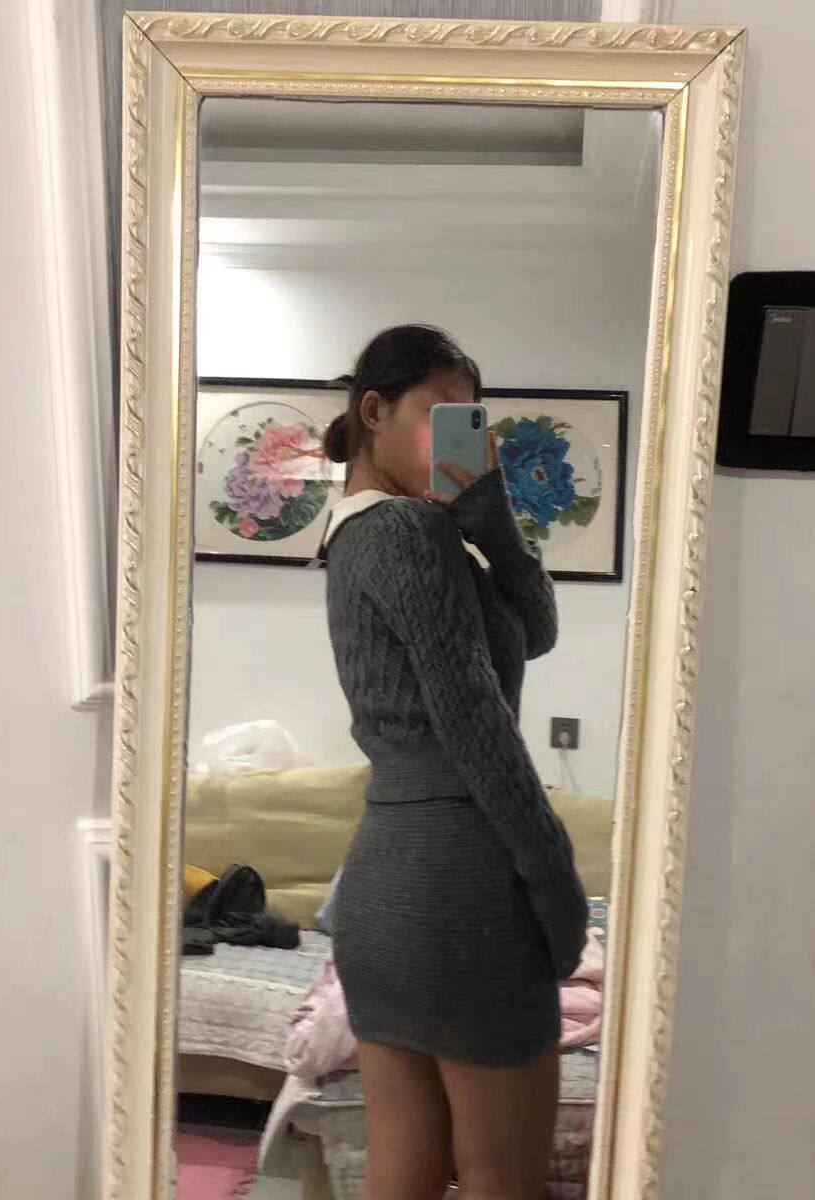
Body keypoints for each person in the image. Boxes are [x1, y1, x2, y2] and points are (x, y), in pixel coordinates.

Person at [320, 324, 588, 1200]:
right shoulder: (407, 531)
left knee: (406, 1170)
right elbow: (478, 726)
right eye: (441, 413)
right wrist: (554, 878)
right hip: (463, 889)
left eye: (472, 418)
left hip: (384, 892)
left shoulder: (354, 534)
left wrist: (491, 521)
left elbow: (535, 633)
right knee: (502, 1178)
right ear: (374, 411)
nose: (460, 435)